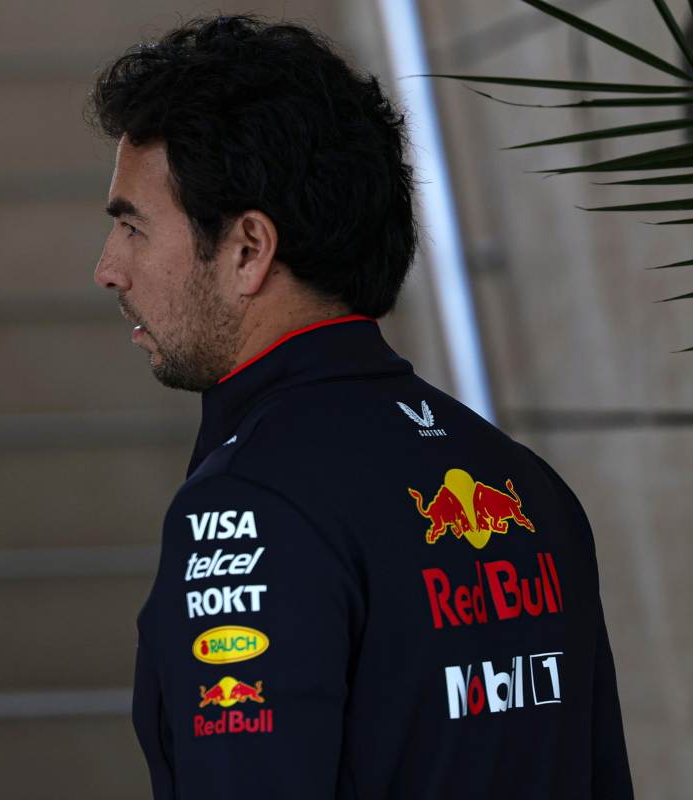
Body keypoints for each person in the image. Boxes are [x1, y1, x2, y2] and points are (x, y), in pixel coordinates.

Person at [86, 14, 633, 799]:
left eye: (133, 228)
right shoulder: (528, 487)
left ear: (247, 248)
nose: (109, 270)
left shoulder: (249, 507)